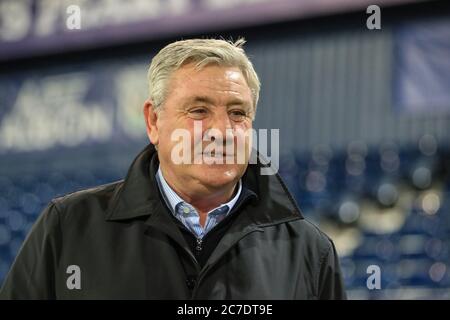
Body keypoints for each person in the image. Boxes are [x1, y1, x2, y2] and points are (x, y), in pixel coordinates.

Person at [0, 38, 346, 299]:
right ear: (153, 121)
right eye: (198, 111)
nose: (222, 131)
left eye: (238, 113)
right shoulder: (67, 227)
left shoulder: (309, 251)